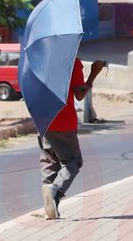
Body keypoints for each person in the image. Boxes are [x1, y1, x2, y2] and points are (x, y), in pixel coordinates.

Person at [40, 57, 106, 219]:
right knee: (73, 161)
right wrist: (93, 74)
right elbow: (79, 94)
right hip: (64, 120)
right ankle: (56, 190)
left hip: (42, 119)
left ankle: (50, 205)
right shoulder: (71, 61)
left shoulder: (41, 59)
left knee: (50, 161)